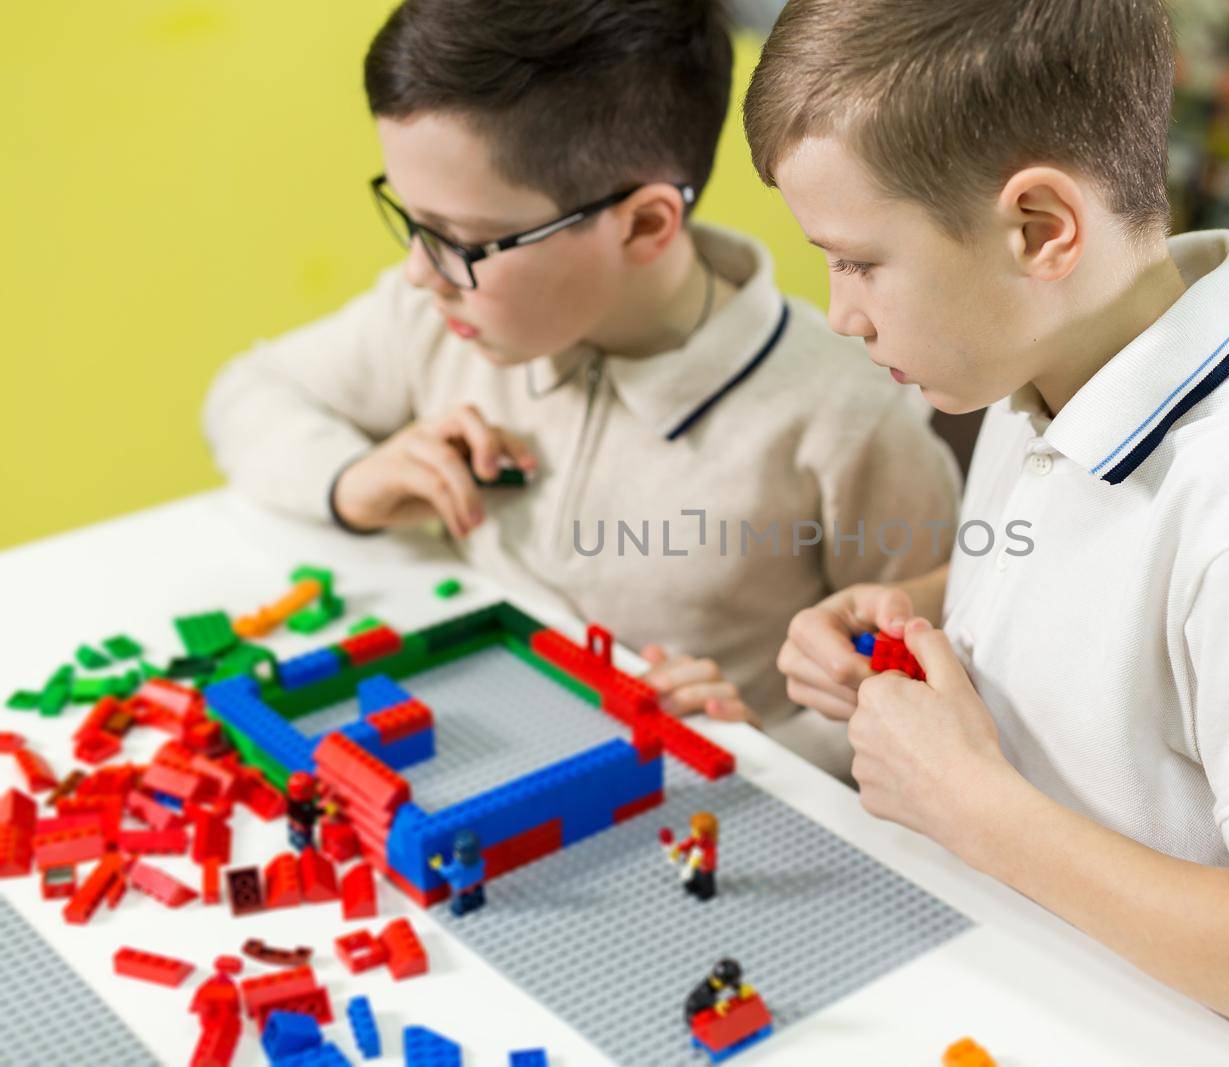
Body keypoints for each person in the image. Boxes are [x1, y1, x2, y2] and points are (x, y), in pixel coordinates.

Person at [751, 2, 1229, 1063]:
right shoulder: (1039, 369)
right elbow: (1090, 577)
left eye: (861, 262)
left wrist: (974, 807)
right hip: (1000, 963)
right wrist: (910, 607)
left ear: (1039, 230)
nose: (841, 310)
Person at [201, 0, 961, 778]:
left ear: (642, 226)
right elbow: (248, 391)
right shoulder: (433, 314)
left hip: (698, 813)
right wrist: (350, 481)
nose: (419, 271)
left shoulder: (844, 415)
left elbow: (939, 674)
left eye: (461, 241)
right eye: (413, 221)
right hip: (467, 758)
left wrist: (759, 750)